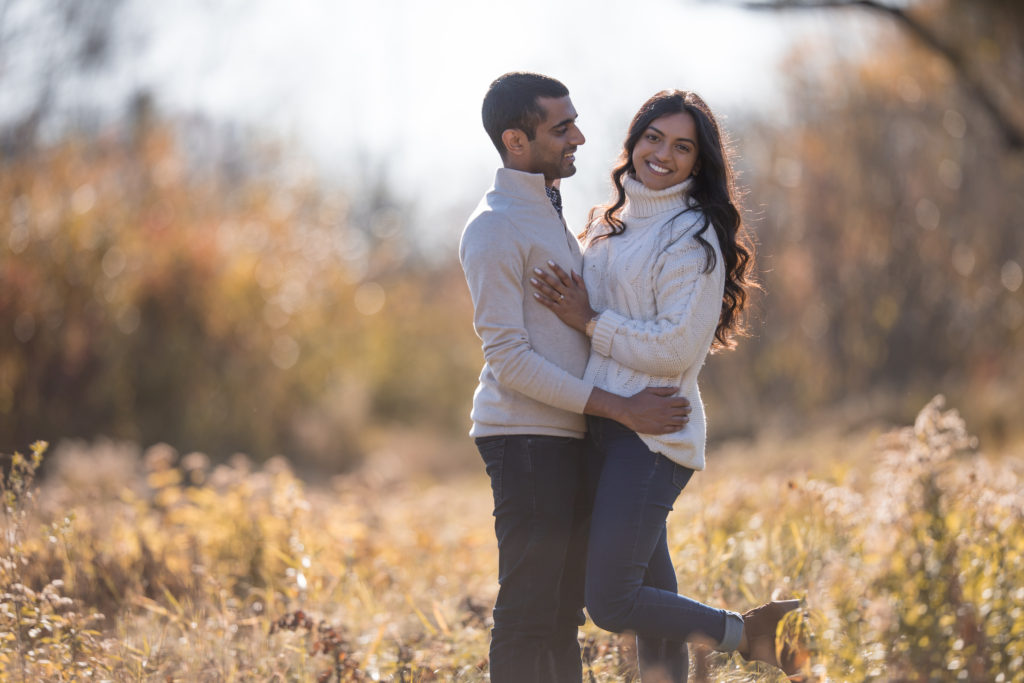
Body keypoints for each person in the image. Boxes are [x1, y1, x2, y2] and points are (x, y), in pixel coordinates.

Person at [531, 90, 804, 681]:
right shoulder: (608, 225)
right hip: (602, 425)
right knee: (652, 600)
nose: (663, 154)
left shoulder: (693, 236)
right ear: (633, 141)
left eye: (682, 147)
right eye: (653, 137)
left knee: (611, 600)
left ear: (698, 163)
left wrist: (589, 322)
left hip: (650, 436)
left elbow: (677, 346)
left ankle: (748, 632)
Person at [459, 73, 694, 683]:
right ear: (516, 140)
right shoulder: (494, 227)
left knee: (562, 614)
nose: (580, 138)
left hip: (565, 437)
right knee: (529, 614)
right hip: (524, 439)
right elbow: (508, 358)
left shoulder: (549, 214)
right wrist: (620, 407)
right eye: (561, 128)